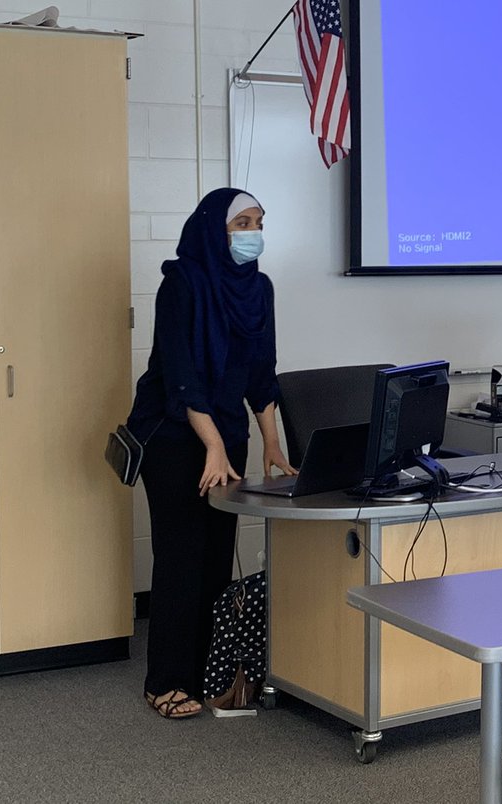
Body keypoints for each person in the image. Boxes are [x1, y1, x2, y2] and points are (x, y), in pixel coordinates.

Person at [126, 187, 296, 719]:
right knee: (182, 555)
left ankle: (209, 672)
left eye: (258, 221)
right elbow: (181, 379)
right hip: (175, 436)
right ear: (213, 229)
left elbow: (260, 372)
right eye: (241, 222)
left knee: (217, 552)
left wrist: (270, 442)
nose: (253, 232)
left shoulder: (259, 288)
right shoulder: (180, 283)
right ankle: (166, 681)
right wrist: (214, 447)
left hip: (225, 436)